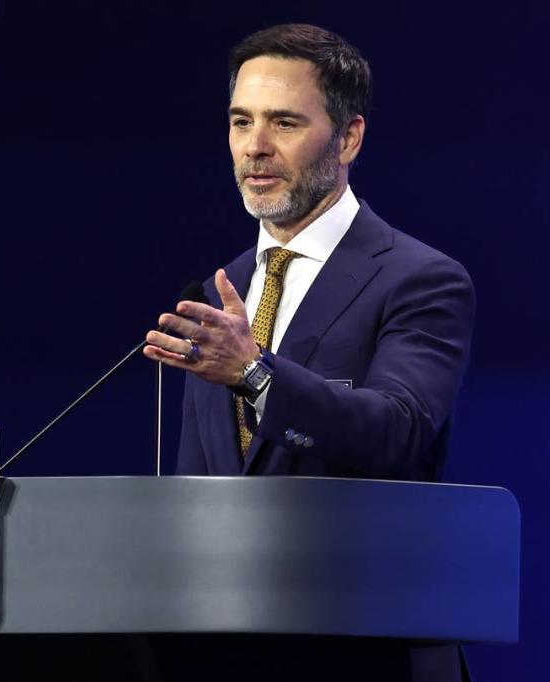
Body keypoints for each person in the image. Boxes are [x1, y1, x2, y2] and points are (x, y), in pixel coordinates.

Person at [142, 23, 476, 681]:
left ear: (348, 137)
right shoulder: (220, 288)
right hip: (229, 655)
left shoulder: (419, 278)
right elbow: (199, 481)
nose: (255, 148)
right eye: (242, 122)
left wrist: (253, 372)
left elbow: (396, 429)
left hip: (365, 650)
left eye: (285, 124)